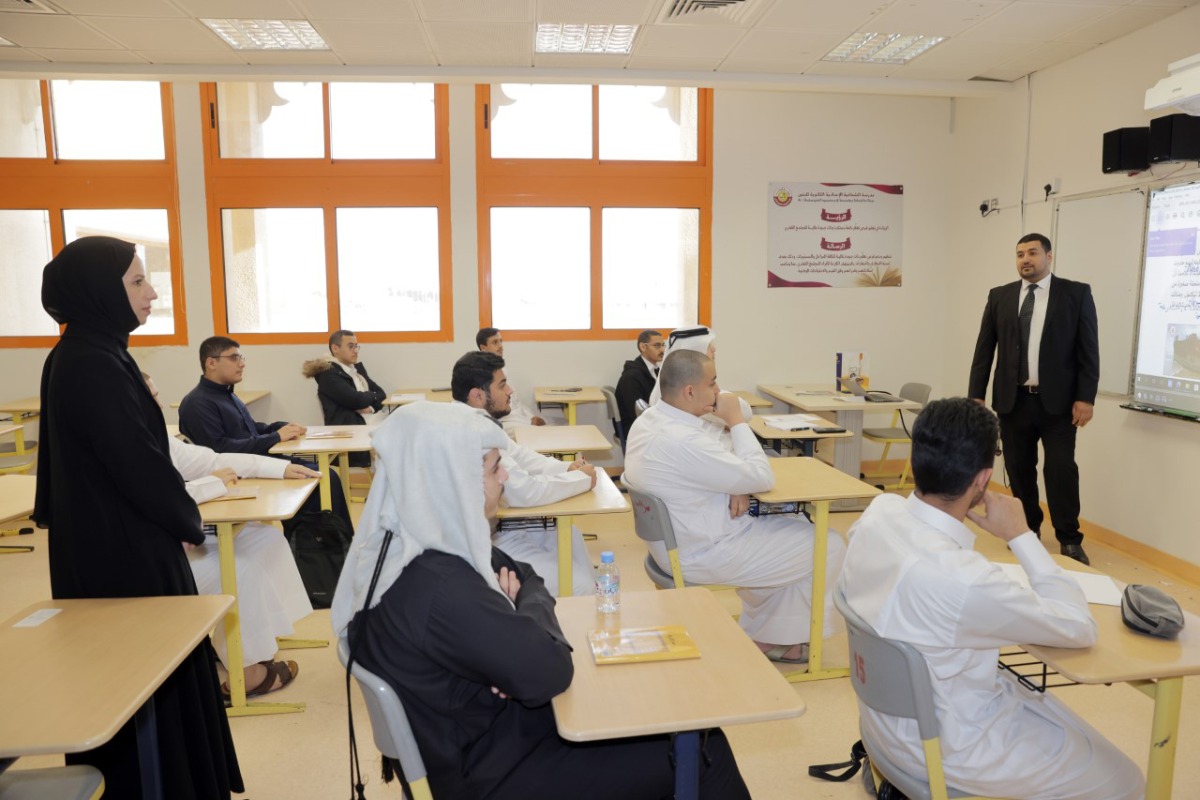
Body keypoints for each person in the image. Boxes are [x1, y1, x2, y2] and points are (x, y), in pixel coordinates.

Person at [330, 401, 750, 799]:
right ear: (454, 481)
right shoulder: (441, 586)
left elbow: (527, 577)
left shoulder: (403, 546)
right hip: (488, 772)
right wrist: (524, 622)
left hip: (476, 738)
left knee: (643, 713)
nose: (505, 478)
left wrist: (518, 623)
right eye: (496, 468)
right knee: (704, 751)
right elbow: (550, 672)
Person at [838, 398, 1142, 799]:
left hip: (885, 728)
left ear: (914, 463)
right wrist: (1020, 535)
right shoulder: (966, 582)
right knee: (1127, 779)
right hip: (948, 746)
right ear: (982, 480)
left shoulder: (879, 512)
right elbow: (1078, 626)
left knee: (1050, 713)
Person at [33, 236, 242, 798]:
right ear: (100, 290)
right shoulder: (91, 362)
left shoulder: (91, 352)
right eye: (137, 282)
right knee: (139, 678)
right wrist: (184, 520)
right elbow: (137, 462)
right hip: (122, 550)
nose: (152, 292)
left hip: (112, 538)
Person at [624, 349, 845, 664]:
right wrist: (737, 423)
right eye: (713, 384)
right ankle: (779, 639)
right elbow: (761, 476)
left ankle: (773, 635)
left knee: (795, 524)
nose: (718, 391)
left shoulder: (652, 419)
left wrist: (735, 482)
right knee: (829, 543)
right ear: (689, 391)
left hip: (674, 544)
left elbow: (718, 448)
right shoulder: (684, 441)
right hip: (704, 551)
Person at [145, 372, 314, 699]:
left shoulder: (156, 436)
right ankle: (248, 675)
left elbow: (214, 460)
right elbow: (162, 498)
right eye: (149, 395)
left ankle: (259, 645)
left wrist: (278, 468)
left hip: (174, 541)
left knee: (264, 538)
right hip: (154, 560)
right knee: (238, 570)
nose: (157, 402)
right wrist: (212, 483)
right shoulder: (124, 443)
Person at [968, 233, 1099, 565]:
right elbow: (984, 350)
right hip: (1013, 403)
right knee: (1019, 470)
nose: (1025, 259)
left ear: (1049, 256)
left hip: (1058, 405)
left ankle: (1069, 538)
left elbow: (1089, 350)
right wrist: (975, 395)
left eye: (1032, 253)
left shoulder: (1075, 293)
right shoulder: (1000, 296)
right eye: (1020, 254)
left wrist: (1086, 397)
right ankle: (1027, 532)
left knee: (1060, 470)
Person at [452, 351, 596, 596]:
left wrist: (567, 468)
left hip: (501, 527)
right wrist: (582, 479)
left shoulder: (477, 421)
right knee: (580, 585)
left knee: (568, 533)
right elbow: (524, 492)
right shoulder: (471, 432)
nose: (510, 391)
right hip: (483, 545)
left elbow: (520, 455)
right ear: (477, 395)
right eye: (502, 385)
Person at [179, 335, 353, 531]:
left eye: (241, 358)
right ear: (211, 362)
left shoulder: (226, 393)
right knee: (323, 479)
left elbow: (249, 428)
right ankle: (319, 550)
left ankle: (337, 546)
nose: (242, 364)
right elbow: (219, 450)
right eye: (234, 358)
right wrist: (276, 437)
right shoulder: (197, 403)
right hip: (242, 472)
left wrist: (280, 427)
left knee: (327, 476)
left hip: (261, 461)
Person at [302, 329, 387, 467]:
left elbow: (382, 394)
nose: (355, 350)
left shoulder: (355, 370)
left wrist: (370, 407)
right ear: (335, 349)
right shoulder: (328, 374)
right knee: (398, 432)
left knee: (403, 421)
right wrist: (371, 396)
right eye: (350, 346)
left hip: (368, 418)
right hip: (351, 428)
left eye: (356, 346)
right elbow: (356, 400)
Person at [647, 325, 753, 422]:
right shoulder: (691, 394)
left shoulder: (665, 388)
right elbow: (744, 413)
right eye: (708, 346)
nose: (714, 349)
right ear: (693, 351)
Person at [477, 326, 546, 429]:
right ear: (483, 348)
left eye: (501, 341)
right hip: (505, 421)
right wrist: (528, 421)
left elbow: (516, 402)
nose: (500, 346)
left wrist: (531, 417)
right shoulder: (483, 372)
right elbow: (499, 410)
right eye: (495, 342)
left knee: (557, 423)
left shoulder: (501, 368)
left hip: (517, 416)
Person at [614, 329, 664, 446]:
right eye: (657, 346)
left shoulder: (654, 370)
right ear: (643, 347)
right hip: (634, 427)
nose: (662, 350)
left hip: (647, 422)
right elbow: (637, 412)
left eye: (663, 345)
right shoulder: (632, 376)